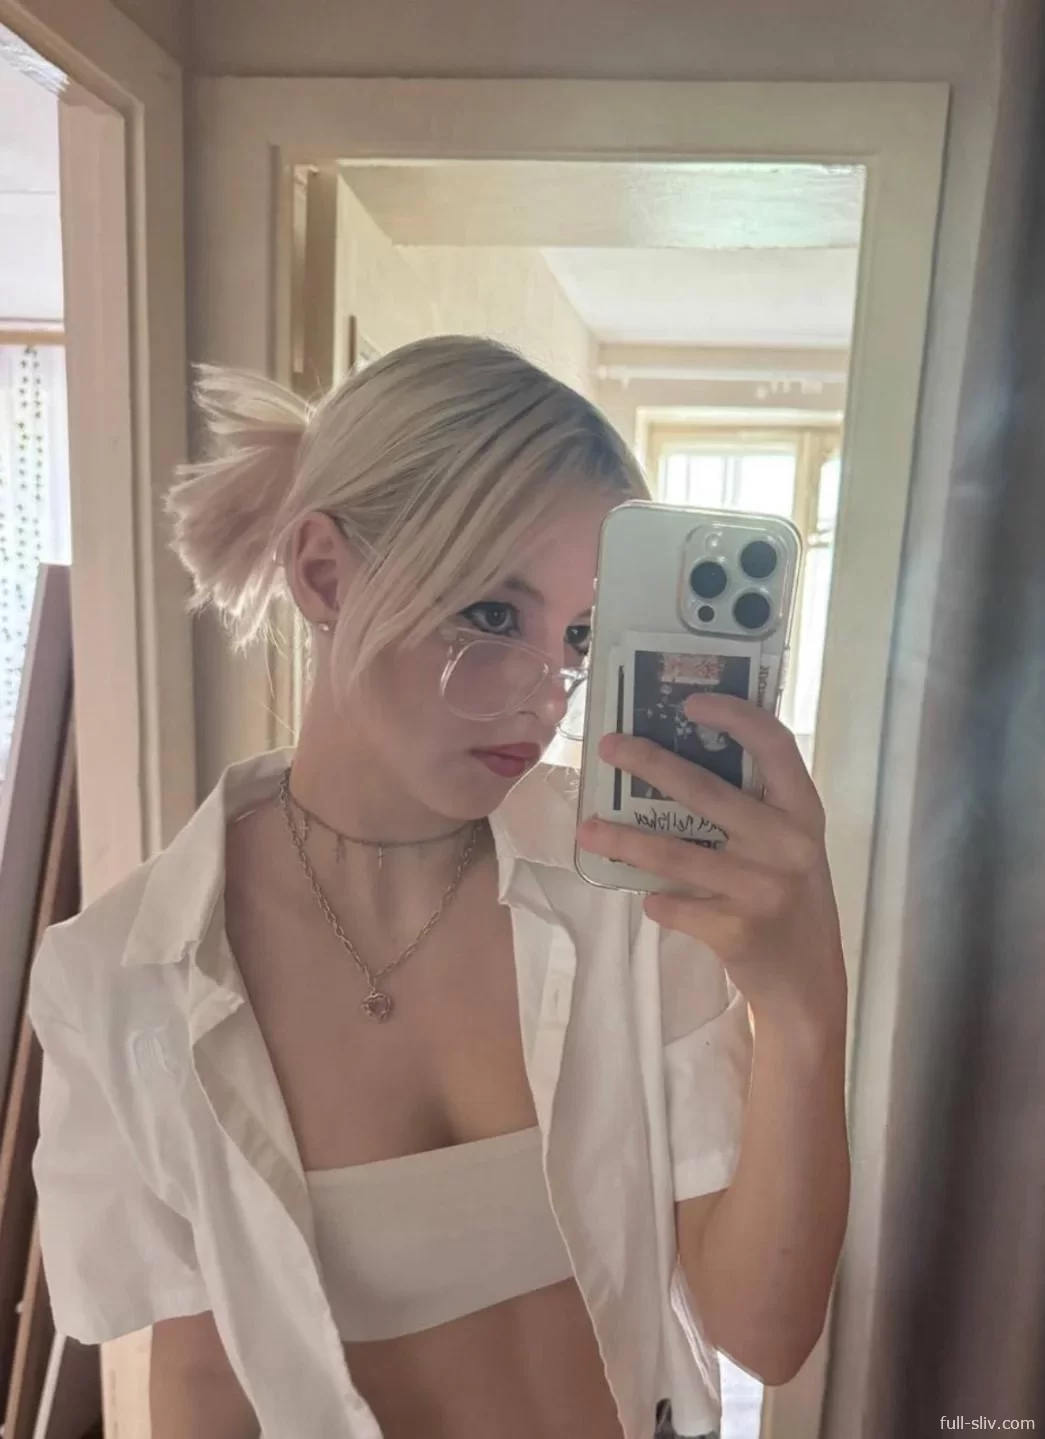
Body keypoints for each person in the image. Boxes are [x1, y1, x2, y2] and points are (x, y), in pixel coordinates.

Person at [28, 336, 850, 1439]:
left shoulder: (626, 884)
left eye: (580, 637)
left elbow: (764, 1330)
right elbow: (205, 1377)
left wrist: (802, 1011)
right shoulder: (124, 980)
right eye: (493, 615)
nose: (544, 693)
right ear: (324, 575)